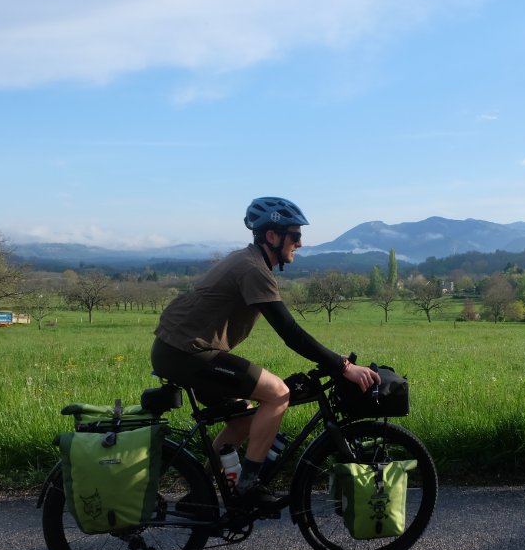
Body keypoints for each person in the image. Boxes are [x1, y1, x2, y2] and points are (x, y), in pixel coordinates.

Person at [150, 196, 381, 503]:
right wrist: (344, 366)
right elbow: (290, 332)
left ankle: (200, 494)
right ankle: (248, 486)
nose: (299, 243)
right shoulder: (253, 269)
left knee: (244, 417)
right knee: (278, 394)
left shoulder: (251, 261)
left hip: (177, 349)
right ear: (272, 236)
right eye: (295, 235)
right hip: (186, 352)